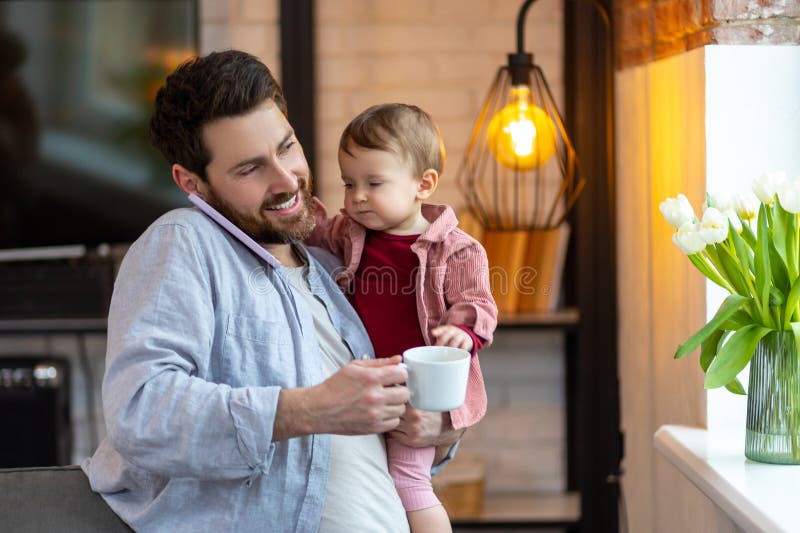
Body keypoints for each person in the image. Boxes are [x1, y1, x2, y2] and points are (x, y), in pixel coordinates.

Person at [81, 50, 464, 532]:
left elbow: (377, 439)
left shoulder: (331, 264)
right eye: (249, 169)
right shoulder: (185, 241)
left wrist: (441, 431)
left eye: (286, 147)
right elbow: (141, 411)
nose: (287, 180)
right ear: (192, 183)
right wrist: (310, 409)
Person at [308, 103, 497, 532]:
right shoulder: (350, 232)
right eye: (349, 183)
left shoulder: (457, 248)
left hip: (421, 386)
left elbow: (479, 305)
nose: (357, 196)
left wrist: (462, 330)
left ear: (423, 184)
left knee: (409, 482)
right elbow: (314, 231)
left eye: (374, 183)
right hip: (372, 379)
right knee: (379, 486)